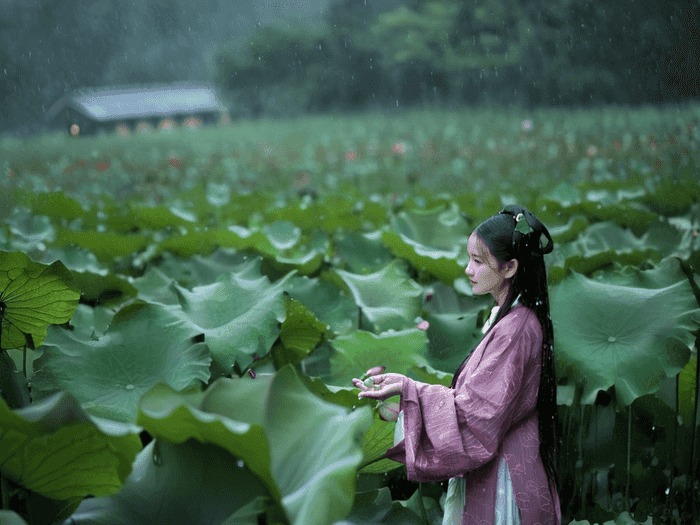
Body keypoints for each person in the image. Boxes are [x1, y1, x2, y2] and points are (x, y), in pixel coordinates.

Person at [352, 205, 561, 525]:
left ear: (510, 268)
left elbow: (478, 415)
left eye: (478, 262)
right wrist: (404, 391)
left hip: (505, 481)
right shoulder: (512, 319)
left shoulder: (515, 330)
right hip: (513, 463)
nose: (468, 270)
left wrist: (411, 392)